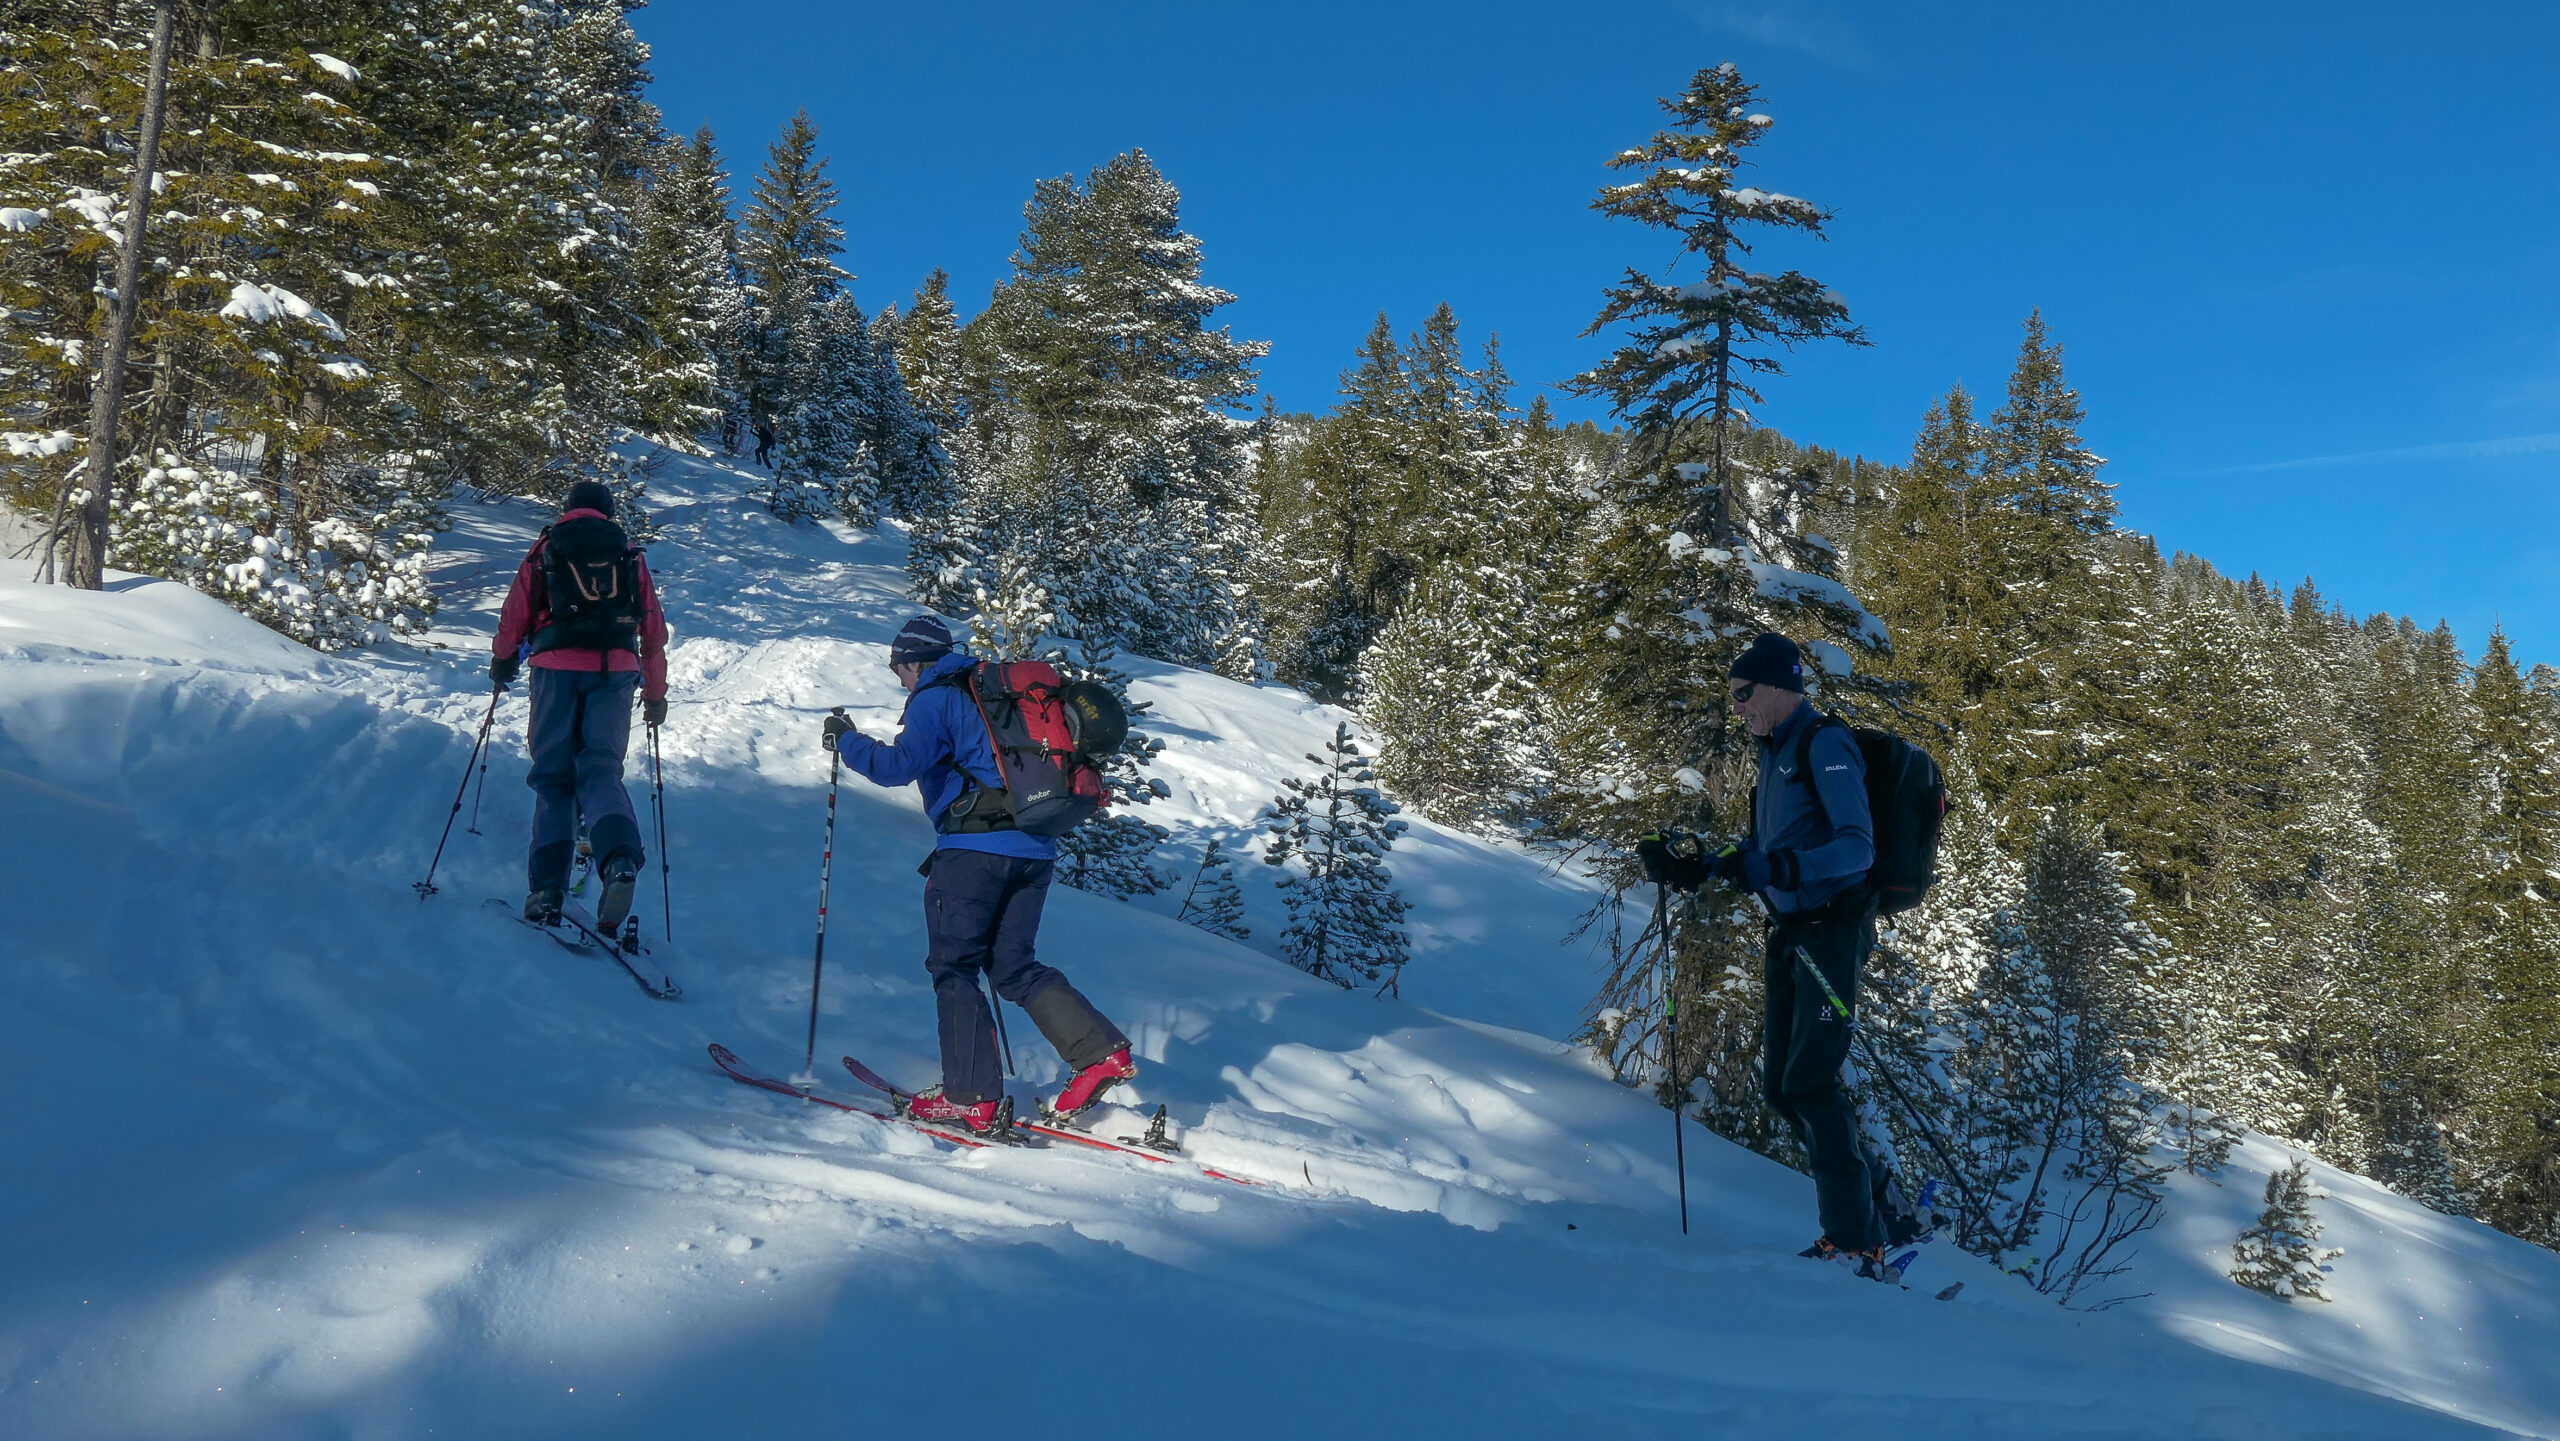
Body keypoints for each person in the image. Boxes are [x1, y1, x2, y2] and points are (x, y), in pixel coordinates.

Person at [1639, 632, 1903, 1276]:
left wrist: (1779, 867)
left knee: (1809, 1081)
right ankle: (1884, 1214)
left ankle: (1855, 1242)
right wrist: (1702, 865)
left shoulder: (1824, 744)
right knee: (1783, 1087)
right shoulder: (1775, 752)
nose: (1737, 706)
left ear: (1780, 686)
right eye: (1733, 695)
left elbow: (1858, 848)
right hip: (1790, 930)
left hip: (1832, 930)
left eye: (1743, 692)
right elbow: (1764, 848)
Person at [824, 615, 1138, 1136]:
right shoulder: (994, 693)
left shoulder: (936, 697)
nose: (899, 678)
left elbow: (897, 767)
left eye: (896, 668)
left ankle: (973, 1098)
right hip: (1035, 849)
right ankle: (1099, 1055)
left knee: (955, 968)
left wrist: (847, 741)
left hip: (973, 854)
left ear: (913, 661)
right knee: (1014, 966)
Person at [491, 479, 669, 932]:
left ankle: (546, 890)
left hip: (555, 668)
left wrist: (503, 659)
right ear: (608, 511)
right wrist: (654, 693)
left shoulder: (548, 546)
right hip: (616, 668)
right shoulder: (627, 552)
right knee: (600, 769)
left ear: (569, 508)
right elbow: (652, 630)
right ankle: (619, 859)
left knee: (553, 777)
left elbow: (516, 611)